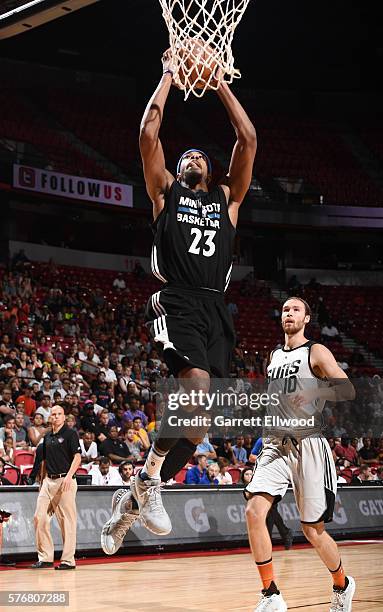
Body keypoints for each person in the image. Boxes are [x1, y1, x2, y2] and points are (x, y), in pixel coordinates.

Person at [101, 47, 256, 548]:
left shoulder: (228, 201)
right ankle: (148, 482)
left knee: (196, 427)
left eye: (198, 156)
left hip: (216, 307)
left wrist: (219, 84)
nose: (190, 158)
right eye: (185, 155)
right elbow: (148, 133)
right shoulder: (166, 194)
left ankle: (137, 495)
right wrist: (168, 74)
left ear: (211, 172)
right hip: (180, 299)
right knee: (195, 388)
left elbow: (248, 138)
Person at [245, 297, 356, 612]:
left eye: (295, 309)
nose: (288, 313)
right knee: (254, 512)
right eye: (284, 310)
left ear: (307, 318)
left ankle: (342, 585)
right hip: (275, 445)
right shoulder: (274, 355)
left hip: (309, 446)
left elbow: (348, 390)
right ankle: (270, 594)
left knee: (313, 531)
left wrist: (314, 392)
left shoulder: (316, 351)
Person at [32, 404, 81, 570]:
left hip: (64, 481)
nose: (57, 416)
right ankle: (45, 557)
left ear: (64, 416)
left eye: (60, 414)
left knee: (66, 521)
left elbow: (77, 458)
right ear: (50, 417)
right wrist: (42, 482)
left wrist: (69, 476)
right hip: (48, 481)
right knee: (39, 517)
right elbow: (44, 461)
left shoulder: (70, 434)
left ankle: (68, 560)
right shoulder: (47, 436)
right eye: (54, 414)